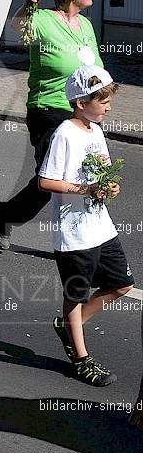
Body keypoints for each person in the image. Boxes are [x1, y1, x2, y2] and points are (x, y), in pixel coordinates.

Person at [0, 0, 107, 251]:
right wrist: (27, 5)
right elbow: (16, 27)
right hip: (48, 109)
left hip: (81, 111)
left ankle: (77, 242)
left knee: (81, 176)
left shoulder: (85, 25)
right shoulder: (42, 19)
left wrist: (103, 102)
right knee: (54, 179)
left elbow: (97, 70)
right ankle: (7, 218)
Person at [39, 65, 134, 386]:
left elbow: (102, 174)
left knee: (121, 285)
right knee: (76, 295)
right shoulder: (65, 134)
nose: (108, 106)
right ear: (81, 102)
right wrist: (85, 190)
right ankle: (80, 358)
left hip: (101, 226)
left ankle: (70, 324)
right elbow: (46, 181)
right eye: (102, 100)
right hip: (74, 234)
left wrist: (109, 186)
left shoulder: (96, 130)